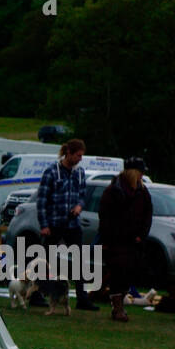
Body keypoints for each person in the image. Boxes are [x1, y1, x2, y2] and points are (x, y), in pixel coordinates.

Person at [36, 138, 93, 310]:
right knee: (46, 260)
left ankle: (82, 298)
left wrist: (79, 206)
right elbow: (42, 199)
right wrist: (44, 224)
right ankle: (38, 293)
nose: (80, 159)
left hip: (72, 224)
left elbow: (82, 195)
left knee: (79, 260)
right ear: (68, 153)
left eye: (82, 155)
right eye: (78, 155)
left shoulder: (80, 173)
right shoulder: (52, 172)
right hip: (54, 223)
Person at [98, 157, 153, 323]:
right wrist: (107, 239)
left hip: (134, 242)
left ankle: (119, 303)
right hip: (115, 241)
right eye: (140, 172)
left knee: (129, 273)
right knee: (118, 273)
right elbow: (105, 217)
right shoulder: (113, 191)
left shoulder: (142, 192)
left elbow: (147, 216)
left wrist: (141, 235)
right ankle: (117, 307)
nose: (142, 175)